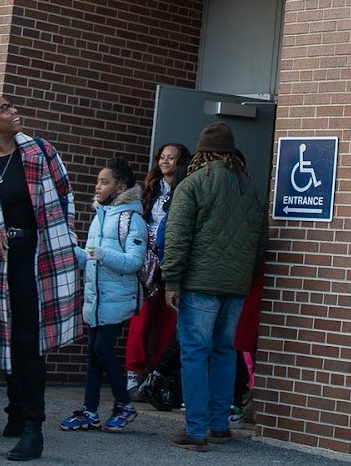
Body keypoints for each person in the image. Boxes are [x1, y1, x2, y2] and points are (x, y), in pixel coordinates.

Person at [0, 94, 81, 462]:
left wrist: (67, 240)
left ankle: (31, 430)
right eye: (5, 109)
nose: (14, 111)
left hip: (35, 260)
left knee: (28, 344)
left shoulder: (40, 152)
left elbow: (65, 197)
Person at [161, 123, 268, 453]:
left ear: (203, 151)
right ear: (231, 151)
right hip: (235, 286)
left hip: (199, 283)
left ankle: (196, 430)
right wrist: (242, 277)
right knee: (224, 351)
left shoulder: (192, 184)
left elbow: (177, 239)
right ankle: (220, 425)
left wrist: (172, 281)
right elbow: (261, 243)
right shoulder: (250, 188)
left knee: (194, 353)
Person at [58, 157, 143, 435]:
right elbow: (89, 258)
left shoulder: (132, 220)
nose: (97, 187)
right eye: (97, 181)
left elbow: (134, 262)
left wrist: (99, 254)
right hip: (96, 299)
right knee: (93, 355)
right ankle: (90, 411)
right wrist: (69, 251)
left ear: (121, 186)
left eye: (104, 182)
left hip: (116, 299)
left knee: (101, 350)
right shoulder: (100, 216)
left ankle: (124, 404)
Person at [125, 142, 188, 392]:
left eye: (171, 158)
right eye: (162, 157)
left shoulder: (185, 190)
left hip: (172, 262)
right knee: (140, 320)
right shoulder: (148, 189)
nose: (164, 162)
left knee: (167, 323)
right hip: (147, 261)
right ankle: (132, 373)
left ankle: (157, 377)